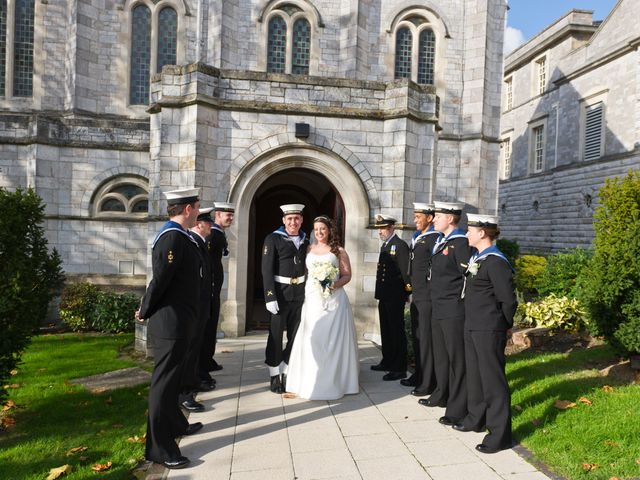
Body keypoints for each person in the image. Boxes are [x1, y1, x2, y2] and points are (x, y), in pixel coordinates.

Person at [137, 188, 204, 470]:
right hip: (170, 322)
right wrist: (145, 309)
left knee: (173, 381)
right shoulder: (172, 237)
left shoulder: (183, 237)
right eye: (197, 207)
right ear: (187, 209)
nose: (199, 212)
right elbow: (161, 280)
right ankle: (159, 448)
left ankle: (176, 423)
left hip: (181, 320)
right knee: (163, 386)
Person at [453, 214, 517, 454]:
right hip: (472, 326)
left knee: (493, 382)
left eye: (470, 230)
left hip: (489, 328)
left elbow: (508, 300)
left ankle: (500, 435)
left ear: (482, 233)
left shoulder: (496, 261)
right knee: (476, 377)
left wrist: (503, 325)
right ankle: (476, 418)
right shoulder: (478, 258)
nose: (467, 233)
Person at [286, 216, 359, 400]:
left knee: (332, 341)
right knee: (312, 338)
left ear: (329, 231)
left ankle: (335, 382)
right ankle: (309, 381)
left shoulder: (339, 251)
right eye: (316, 229)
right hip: (312, 300)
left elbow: (347, 275)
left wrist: (333, 285)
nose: (319, 232)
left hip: (334, 302)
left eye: (323, 229)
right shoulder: (308, 249)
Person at [421, 201, 472, 428]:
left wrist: (460, 303)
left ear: (450, 218)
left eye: (439, 216)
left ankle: (458, 406)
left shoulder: (460, 242)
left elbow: (467, 276)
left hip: (452, 308)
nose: (434, 219)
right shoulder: (442, 241)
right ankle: (441, 393)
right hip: (438, 306)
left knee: (456, 359)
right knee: (441, 355)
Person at [262, 203, 309, 393]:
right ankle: (274, 374)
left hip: (300, 295)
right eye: (289, 219)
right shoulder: (273, 238)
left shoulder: (306, 240)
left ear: (301, 220)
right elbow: (266, 269)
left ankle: (287, 370)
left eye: (296, 218)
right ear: (283, 220)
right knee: (275, 335)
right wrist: (269, 296)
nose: (293, 222)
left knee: (295, 335)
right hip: (280, 295)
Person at [177, 207, 215, 413]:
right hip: (193, 306)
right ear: (200, 224)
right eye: (208, 222)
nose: (211, 225)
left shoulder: (199, 243)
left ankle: (192, 384)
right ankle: (184, 394)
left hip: (200, 304)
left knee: (195, 348)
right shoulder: (190, 242)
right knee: (189, 351)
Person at [403, 203, 441, 397]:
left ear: (430, 218)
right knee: (418, 338)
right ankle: (419, 374)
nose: (415, 219)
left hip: (427, 296)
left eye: (419, 216)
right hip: (417, 294)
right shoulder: (419, 237)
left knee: (426, 340)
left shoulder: (435, 238)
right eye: (415, 216)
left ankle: (428, 381)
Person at [371, 214, 411, 381]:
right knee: (386, 331)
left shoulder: (400, 246)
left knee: (396, 332)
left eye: (383, 228)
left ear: (392, 228)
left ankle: (399, 368)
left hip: (395, 296)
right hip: (385, 296)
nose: (380, 232)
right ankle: (387, 361)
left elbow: (405, 273)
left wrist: (407, 293)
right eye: (379, 229)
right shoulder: (386, 245)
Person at [199, 202, 235, 383]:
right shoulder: (212, 234)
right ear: (217, 215)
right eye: (226, 215)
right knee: (207, 325)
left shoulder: (218, 233)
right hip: (210, 286)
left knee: (212, 324)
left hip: (214, 286)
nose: (230, 218)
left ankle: (208, 359)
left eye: (232, 215)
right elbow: (208, 263)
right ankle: (203, 363)